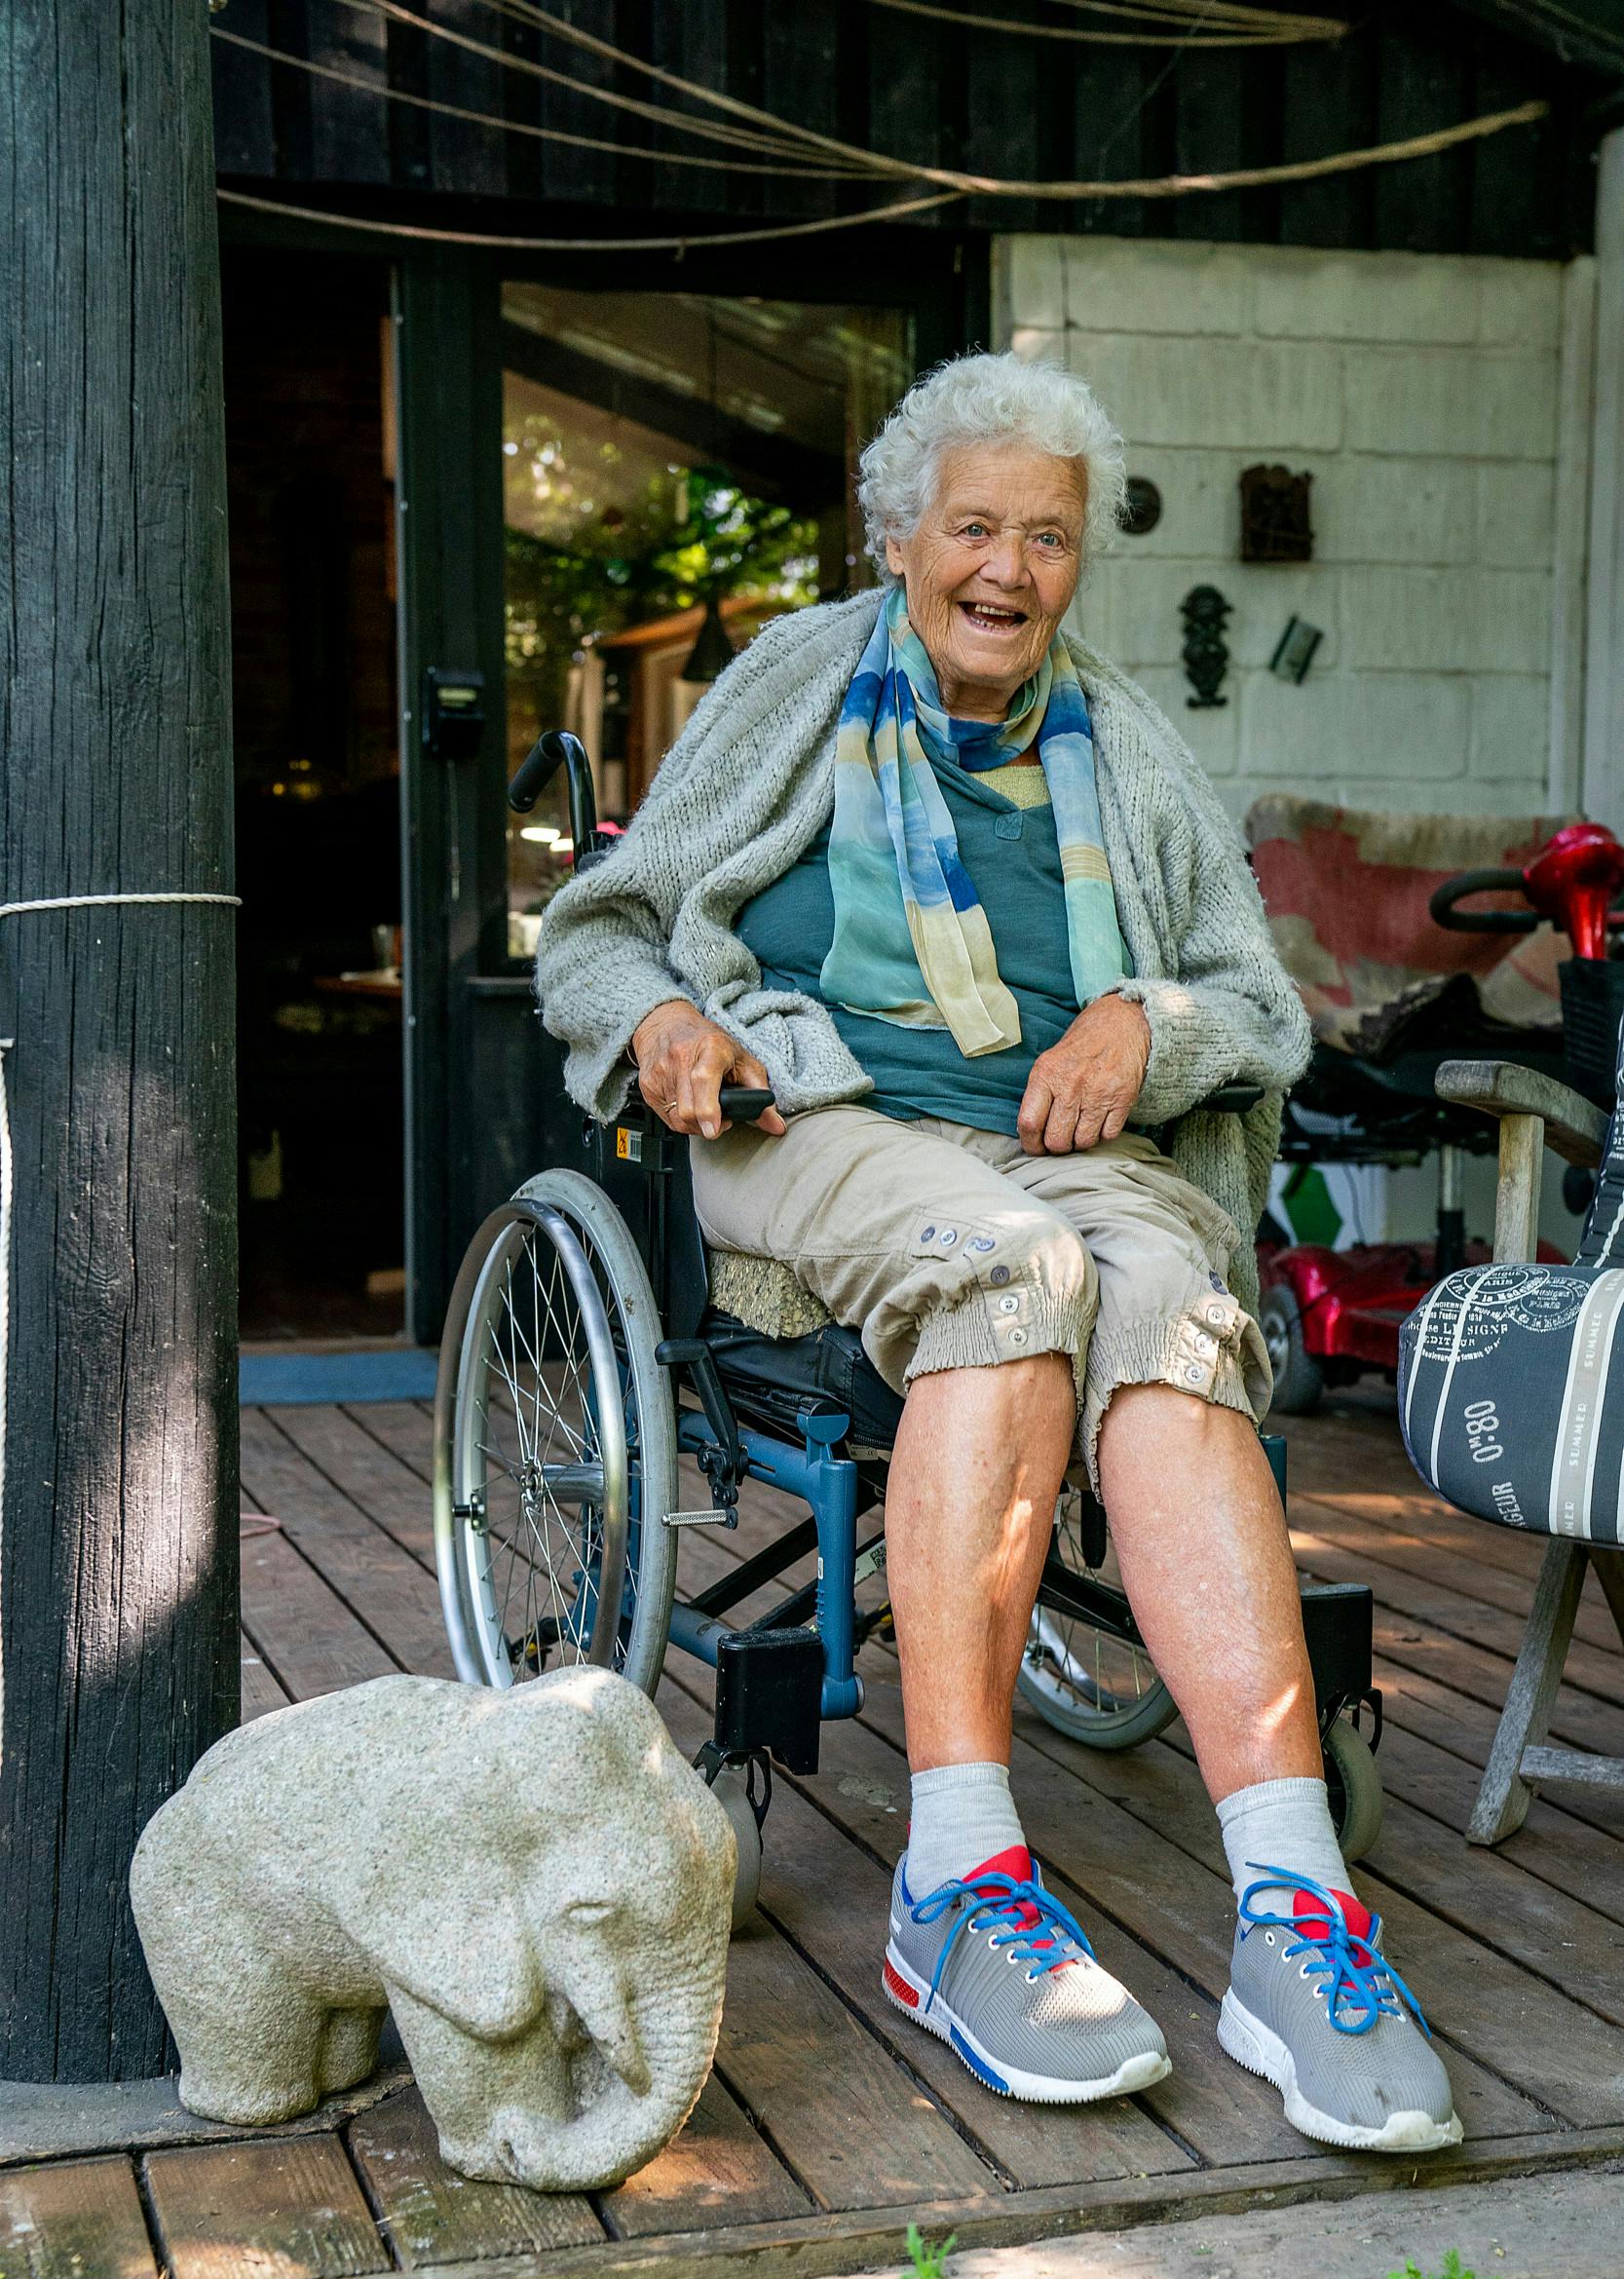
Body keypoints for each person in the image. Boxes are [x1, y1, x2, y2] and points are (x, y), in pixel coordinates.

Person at [538, 352, 1460, 2155]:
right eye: (974, 526)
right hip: (813, 1126)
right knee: (1009, 1270)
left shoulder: (1129, 742)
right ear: (899, 535)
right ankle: (958, 1882)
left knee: (1179, 1311)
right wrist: (661, 1023)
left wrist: (1144, 1019)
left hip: (1070, 1149)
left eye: (1046, 537)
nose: (1008, 567)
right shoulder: (791, 688)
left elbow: (1253, 999)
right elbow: (605, 930)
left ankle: (1293, 1912)